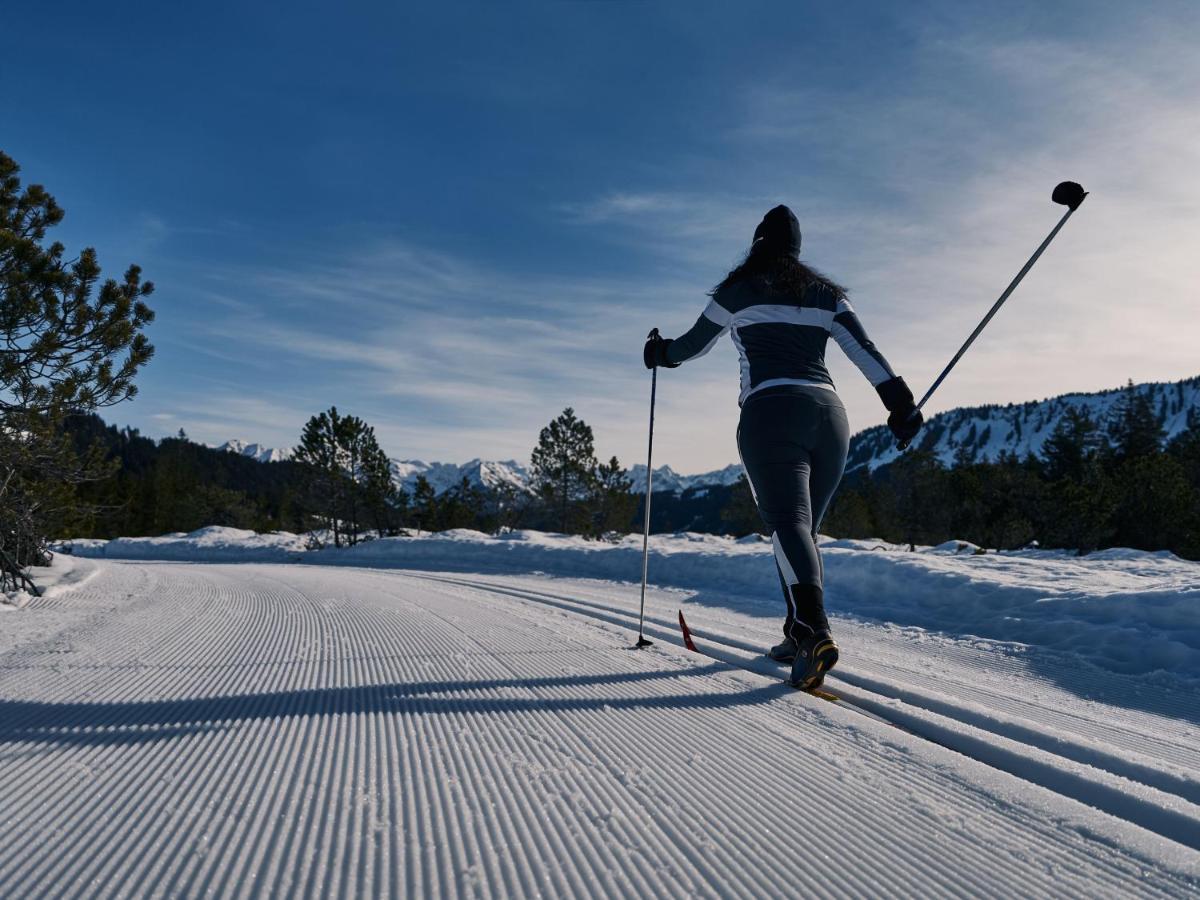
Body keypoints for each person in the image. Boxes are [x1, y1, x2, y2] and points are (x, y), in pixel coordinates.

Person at [644, 205, 922, 689]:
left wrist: (659, 352)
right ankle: (797, 634)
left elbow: (691, 347)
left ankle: (814, 630)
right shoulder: (827, 296)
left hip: (771, 413)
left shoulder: (737, 291)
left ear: (757, 244)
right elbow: (866, 353)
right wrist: (900, 404)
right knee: (800, 533)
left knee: (787, 524)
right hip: (830, 419)